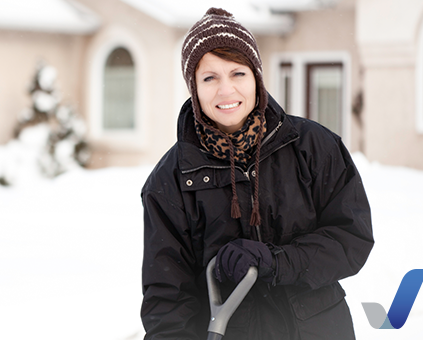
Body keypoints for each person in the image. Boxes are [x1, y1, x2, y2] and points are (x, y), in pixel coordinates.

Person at [140, 8, 374, 340]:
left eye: (237, 73)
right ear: (193, 87)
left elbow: (352, 239)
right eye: (209, 78)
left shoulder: (314, 147)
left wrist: (277, 262)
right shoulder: (171, 181)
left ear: (256, 77)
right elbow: (167, 300)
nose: (226, 90)